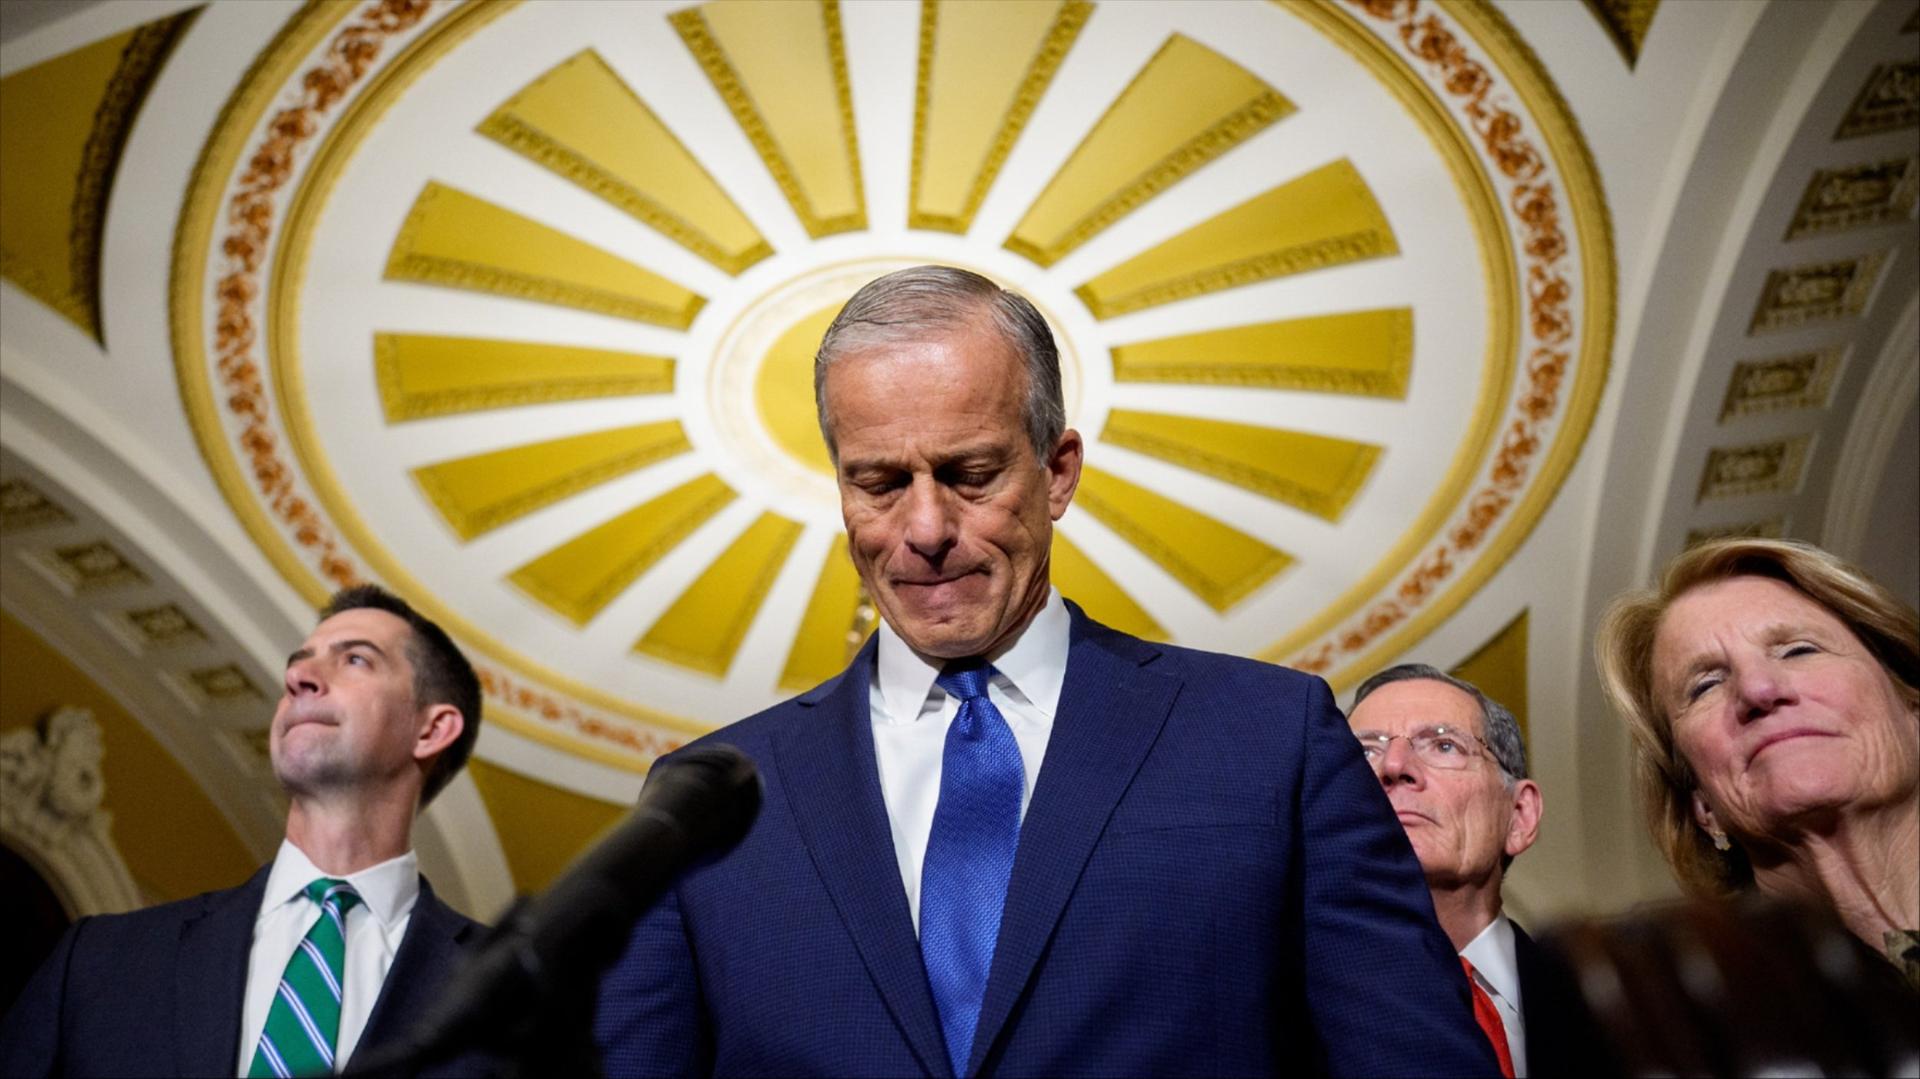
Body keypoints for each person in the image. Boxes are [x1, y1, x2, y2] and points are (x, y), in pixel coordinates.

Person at [594, 265, 1498, 1077]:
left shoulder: (1270, 738)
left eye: (970, 473)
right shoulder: (706, 803)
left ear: (1058, 471)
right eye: (878, 483)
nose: (925, 529)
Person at [0, 585, 488, 1077]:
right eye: (298, 664)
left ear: (431, 730)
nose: (298, 677)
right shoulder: (98, 963)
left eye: (356, 660)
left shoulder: (518, 1006)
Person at [1595, 537, 1919, 989]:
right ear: (1701, 805)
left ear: (1911, 708)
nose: (1758, 690)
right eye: (1705, 685)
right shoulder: (1683, 1020)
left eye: (1798, 650)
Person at [1346, 664, 1545, 1077]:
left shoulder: (1624, 1006)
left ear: (1519, 816)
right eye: (1363, 752)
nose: (1394, 765)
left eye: (1443, 745)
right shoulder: (1268, 1016)